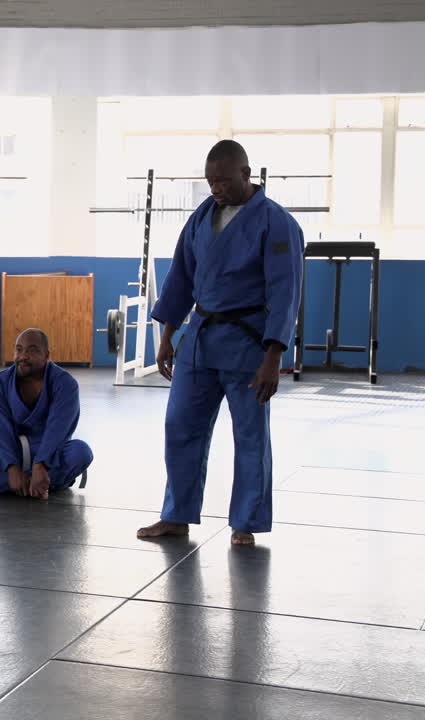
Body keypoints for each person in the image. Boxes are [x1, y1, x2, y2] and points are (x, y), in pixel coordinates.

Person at [137, 139, 304, 547]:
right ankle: (176, 515)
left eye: (224, 181)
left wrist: (274, 356)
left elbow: (286, 292)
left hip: (249, 344)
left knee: (250, 435)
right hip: (200, 340)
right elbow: (180, 277)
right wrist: (167, 335)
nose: (217, 189)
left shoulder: (276, 222)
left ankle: (245, 521)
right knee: (180, 426)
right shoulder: (201, 218)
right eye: (211, 182)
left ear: (247, 174)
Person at [0, 328, 93, 499]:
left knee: (81, 452)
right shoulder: (0, 384)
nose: (23, 356)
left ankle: (4, 482)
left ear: (46, 355)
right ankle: (37, 485)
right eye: (19, 350)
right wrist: (11, 467)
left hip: (50, 455)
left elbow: (58, 431)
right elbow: (0, 431)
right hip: (12, 452)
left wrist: (41, 464)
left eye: (32, 351)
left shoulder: (65, 384)